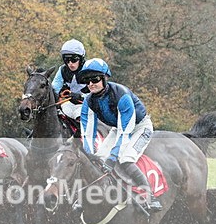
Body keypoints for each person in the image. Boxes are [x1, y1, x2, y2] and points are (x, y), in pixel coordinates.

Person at [78, 58, 162, 211]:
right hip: (117, 128)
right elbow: (87, 133)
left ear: (105, 78)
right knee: (99, 158)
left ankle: (151, 196)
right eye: (87, 80)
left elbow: (126, 132)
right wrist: (90, 155)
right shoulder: (88, 101)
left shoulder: (121, 95)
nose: (91, 84)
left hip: (139, 127)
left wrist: (113, 157)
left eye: (95, 79)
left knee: (126, 159)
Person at [51, 39, 88, 120]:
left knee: (79, 114)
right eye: (67, 60)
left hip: (87, 104)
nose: (70, 63)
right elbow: (54, 88)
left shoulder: (89, 70)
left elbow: (98, 92)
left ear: (81, 59)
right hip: (67, 104)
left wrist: (81, 97)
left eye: (74, 59)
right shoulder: (62, 70)